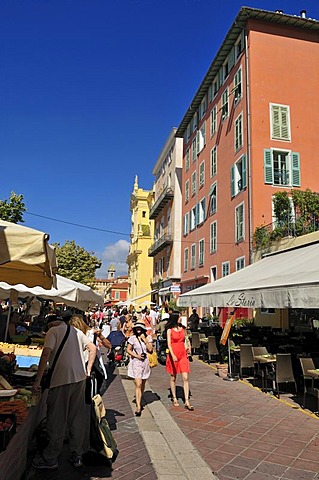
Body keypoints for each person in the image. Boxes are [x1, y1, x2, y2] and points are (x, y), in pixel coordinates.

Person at [31, 314, 96, 470]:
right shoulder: (76, 331)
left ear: (51, 323)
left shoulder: (53, 332)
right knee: (77, 417)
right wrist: (87, 369)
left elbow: (46, 353)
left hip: (61, 379)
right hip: (79, 379)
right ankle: (77, 454)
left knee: (57, 419)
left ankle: (51, 458)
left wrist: (38, 380)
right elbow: (92, 348)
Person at [69, 314, 112, 397]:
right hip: (79, 369)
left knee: (91, 398)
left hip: (92, 370)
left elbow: (109, 346)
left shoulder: (92, 334)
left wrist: (100, 336)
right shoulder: (75, 335)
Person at [166, 311, 194, 411]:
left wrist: (188, 347)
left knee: (185, 377)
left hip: (183, 354)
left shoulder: (183, 329)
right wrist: (172, 355)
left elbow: (186, 339)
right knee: (173, 377)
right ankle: (174, 397)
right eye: (178, 317)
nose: (180, 319)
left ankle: (187, 400)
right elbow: (169, 344)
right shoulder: (169, 330)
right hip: (174, 354)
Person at [126, 321, 154, 417]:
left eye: (140, 328)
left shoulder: (148, 338)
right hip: (136, 363)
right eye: (137, 328)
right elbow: (128, 349)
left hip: (145, 363)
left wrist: (144, 340)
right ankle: (138, 406)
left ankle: (140, 399)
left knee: (143, 383)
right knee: (138, 383)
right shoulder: (132, 338)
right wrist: (136, 356)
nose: (138, 329)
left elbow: (150, 350)